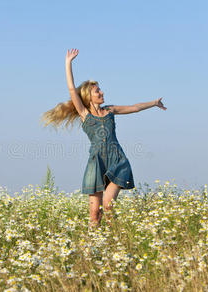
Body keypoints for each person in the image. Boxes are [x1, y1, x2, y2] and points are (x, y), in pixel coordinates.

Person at [41, 48, 167, 228]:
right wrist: (68, 63)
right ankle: (96, 245)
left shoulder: (110, 110)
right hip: (96, 163)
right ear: (88, 96)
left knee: (108, 205)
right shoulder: (85, 114)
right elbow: (71, 89)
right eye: (97, 91)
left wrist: (154, 103)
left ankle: (114, 237)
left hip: (117, 160)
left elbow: (134, 107)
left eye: (100, 90)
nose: (101, 93)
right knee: (94, 213)